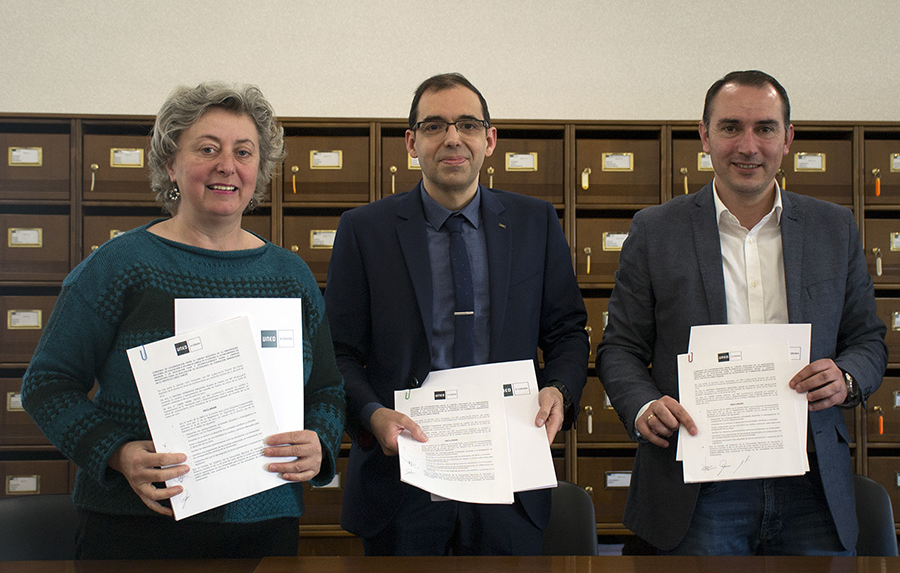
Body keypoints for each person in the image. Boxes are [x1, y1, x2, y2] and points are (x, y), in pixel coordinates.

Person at [21, 82, 345, 559]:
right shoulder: (120, 265)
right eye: (207, 149)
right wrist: (118, 453)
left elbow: (327, 389)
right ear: (170, 163)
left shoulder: (290, 275)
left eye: (243, 152)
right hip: (136, 526)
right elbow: (47, 384)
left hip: (266, 524)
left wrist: (319, 441)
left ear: (259, 169)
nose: (226, 166)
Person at [597, 70, 887, 555]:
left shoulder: (834, 228)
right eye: (730, 127)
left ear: (787, 138)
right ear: (705, 136)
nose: (748, 146)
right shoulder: (655, 230)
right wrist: (644, 405)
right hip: (697, 482)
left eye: (765, 129)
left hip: (810, 481)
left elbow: (868, 339)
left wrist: (847, 377)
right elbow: (620, 348)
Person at [324, 72, 589, 555]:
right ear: (411, 143)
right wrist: (371, 414)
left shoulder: (535, 222)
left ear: (490, 140)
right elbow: (338, 351)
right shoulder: (365, 230)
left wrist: (560, 390)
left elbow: (568, 331)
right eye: (434, 126)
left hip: (508, 478)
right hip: (402, 479)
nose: (452, 138)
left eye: (468, 125)